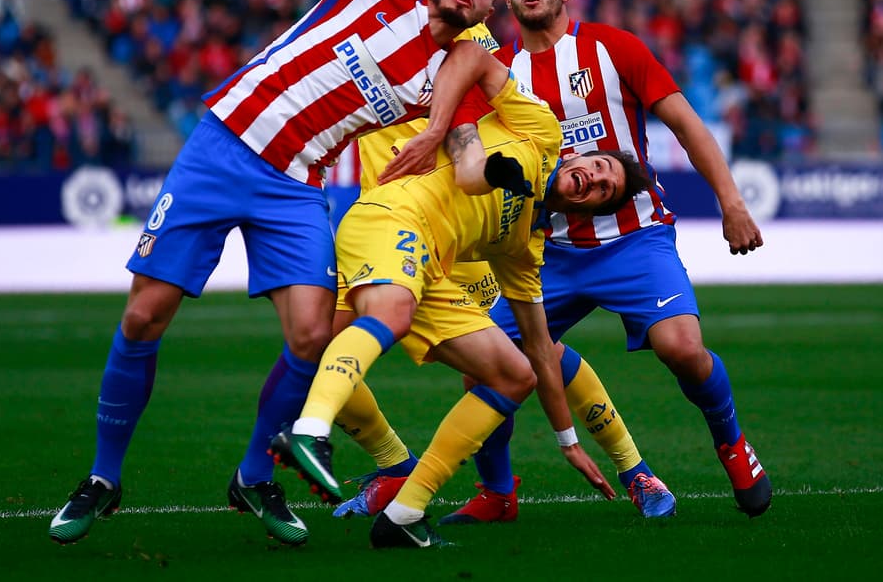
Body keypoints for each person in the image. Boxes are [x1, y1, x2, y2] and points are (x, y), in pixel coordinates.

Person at [48, 0, 511, 547]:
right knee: (144, 313)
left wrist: (504, 181)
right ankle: (102, 475)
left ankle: (254, 475)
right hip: (225, 146)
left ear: (491, 8)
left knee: (309, 336)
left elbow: (467, 157)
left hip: (297, 186)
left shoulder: (456, 74)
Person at [383, 0, 773, 519]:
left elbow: (687, 124)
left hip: (634, 239)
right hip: (546, 253)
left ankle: (732, 441)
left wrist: (731, 202)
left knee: (682, 348)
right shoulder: (501, 72)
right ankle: (497, 493)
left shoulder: (615, 50)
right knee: (486, 368)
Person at [325, 0, 676, 524]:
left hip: (461, 219)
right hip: (388, 214)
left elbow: (470, 79)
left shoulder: (466, 22)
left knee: (526, 358)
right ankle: (400, 468)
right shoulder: (369, 20)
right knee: (313, 338)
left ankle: (629, 466)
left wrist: (450, 144)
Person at [269, 42, 653, 548]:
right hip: (392, 217)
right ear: (580, 155)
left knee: (511, 374)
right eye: (600, 167)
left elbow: (540, 347)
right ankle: (311, 430)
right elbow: (472, 53)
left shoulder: (524, 247)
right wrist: (438, 132)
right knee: (361, 327)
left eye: (604, 189)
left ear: (585, 212)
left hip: (431, 269)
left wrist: (569, 442)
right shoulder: (541, 131)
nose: (594, 179)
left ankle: (405, 512)